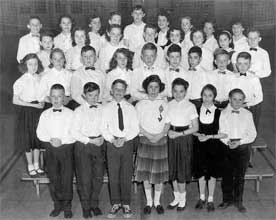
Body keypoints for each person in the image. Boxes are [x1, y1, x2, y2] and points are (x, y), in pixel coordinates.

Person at [101, 79, 139, 219]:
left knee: (126, 174)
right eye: (116, 89)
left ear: (125, 91)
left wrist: (125, 139)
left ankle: (126, 203)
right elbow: (103, 127)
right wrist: (112, 139)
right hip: (112, 143)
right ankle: (116, 203)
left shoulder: (130, 108)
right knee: (113, 174)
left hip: (126, 142)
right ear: (111, 91)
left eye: (122, 89)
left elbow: (135, 128)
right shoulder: (106, 108)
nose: (118, 92)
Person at [36, 84, 75, 218]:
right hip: (50, 149)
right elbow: (40, 132)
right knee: (54, 178)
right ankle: (57, 205)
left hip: (66, 149)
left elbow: (74, 132)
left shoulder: (71, 114)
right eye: (53, 96)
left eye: (59, 96)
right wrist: (51, 139)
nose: (56, 99)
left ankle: (67, 206)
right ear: (50, 97)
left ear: (64, 97)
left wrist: (62, 140)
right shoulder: (45, 114)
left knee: (67, 178)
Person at [135, 75, 170, 215]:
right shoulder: (140, 104)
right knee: (146, 174)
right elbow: (136, 124)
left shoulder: (165, 103)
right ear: (146, 88)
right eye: (150, 87)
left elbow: (167, 123)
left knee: (159, 174)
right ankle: (149, 202)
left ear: (160, 88)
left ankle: (157, 202)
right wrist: (149, 136)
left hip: (161, 140)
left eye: (156, 87)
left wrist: (160, 135)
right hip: (145, 140)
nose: (153, 90)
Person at [218, 88, 257, 213]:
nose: (237, 102)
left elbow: (252, 134)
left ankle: (238, 201)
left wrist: (239, 142)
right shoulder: (224, 113)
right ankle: (226, 199)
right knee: (227, 175)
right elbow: (221, 132)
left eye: (240, 99)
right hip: (228, 145)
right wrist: (228, 142)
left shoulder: (248, 114)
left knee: (240, 176)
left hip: (242, 146)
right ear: (229, 99)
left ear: (243, 101)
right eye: (234, 99)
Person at [71, 82, 105, 218]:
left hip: (99, 144)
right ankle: (86, 207)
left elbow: (106, 125)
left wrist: (103, 136)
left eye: (96, 95)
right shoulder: (78, 111)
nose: (94, 98)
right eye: (90, 95)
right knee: (84, 178)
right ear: (84, 96)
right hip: (84, 145)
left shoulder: (103, 108)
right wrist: (90, 140)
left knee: (98, 177)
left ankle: (94, 204)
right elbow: (74, 132)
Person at [193, 84, 227, 212]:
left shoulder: (219, 112)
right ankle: (201, 197)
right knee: (201, 172)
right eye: (204, 95)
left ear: (214, 97)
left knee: (212, 174)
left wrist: (210, 136)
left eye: (210, 95)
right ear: (201, 96)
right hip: (199, 146)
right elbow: (191, 129)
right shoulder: (195, 110)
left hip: (214, 146)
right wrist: (198, 134)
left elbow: (224, 133)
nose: (207, 98)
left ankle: (211, 199)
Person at [166, 78, 198, 211]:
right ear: (172, 91)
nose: (178, 94)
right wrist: (168, 131)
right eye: (175, 91)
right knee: (172, 167)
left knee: (182, 168)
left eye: (181, 91)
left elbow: (195, 127)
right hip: (172, 137)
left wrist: (179, 134)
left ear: (185, 92)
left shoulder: (190, 106)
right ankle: (176, 197)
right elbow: (167, 123)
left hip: (184, 137)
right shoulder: (169, 104)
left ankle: (183, 199)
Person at [13, 53, 45, 177]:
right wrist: (33, 105)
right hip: (27, 111)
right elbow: (15, 100)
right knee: (28, 139)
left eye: (35, 64)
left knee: (37, 138)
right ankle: (30, 165)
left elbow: (42, 93)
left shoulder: (39, 77)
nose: (33, 66)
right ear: (25, 65)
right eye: (30, 64)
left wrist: (42, 101)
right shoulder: (21, 80)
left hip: (39, 111)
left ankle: (37, 165)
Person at [232, 52, 263, 130]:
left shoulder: (254, 78)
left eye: (245, 64)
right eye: (240, 63)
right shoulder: (232, 77)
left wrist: (246, 105)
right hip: (235, 106)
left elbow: (259, 98)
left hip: (250, 107)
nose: (242, 66)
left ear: (250, 65)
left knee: (250, 131)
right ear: (236, 65)